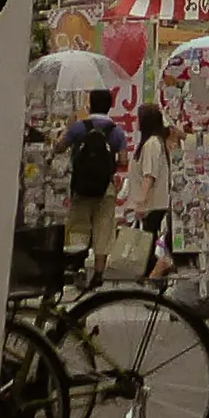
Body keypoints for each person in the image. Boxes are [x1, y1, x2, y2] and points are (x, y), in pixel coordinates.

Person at [61, 87, 125, 282]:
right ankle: (98, 273)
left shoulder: (78, 127)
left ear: (90, 105)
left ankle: (77, 266)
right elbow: (123, 160)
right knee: (103, 228)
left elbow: (59, 147)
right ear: (110, 106)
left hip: (80, 186)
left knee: (79, 225)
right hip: (105, 187)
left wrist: (68, 128)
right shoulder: (116, 131)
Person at [117, 90, 173, 281]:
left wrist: (140, 201)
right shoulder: (154, 143)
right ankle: (152, 274)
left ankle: (153, 274)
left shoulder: (152, 144)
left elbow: (150, 175)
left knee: (146, 241)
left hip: (152, 203)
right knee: (147, 240)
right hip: (153, 202)